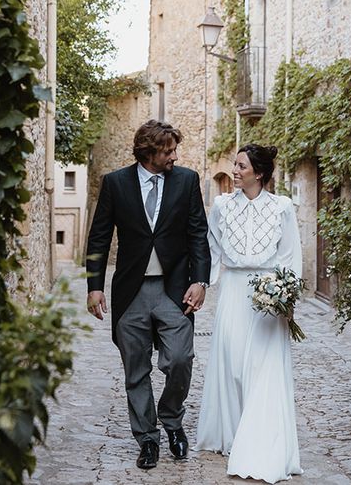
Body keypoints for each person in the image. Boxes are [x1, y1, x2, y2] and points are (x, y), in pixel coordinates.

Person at [85, 120, 212, 470]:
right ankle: (147, 439)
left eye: (174, 149)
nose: (174, 156)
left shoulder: (186, 180)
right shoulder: (115, 183)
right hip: (131, 291)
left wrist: (200, 280)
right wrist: (94, 285)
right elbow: (98, 238)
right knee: (136, 370)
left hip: (174, 290)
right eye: (167, 150)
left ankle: (172, 422)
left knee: (180, 359)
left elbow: (198, 233)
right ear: (148, 152)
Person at [196, 143, 303, 483]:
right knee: (232, 364)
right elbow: (212, 249)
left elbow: (289, 254)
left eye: (241, 166)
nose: (235, 170)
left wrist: (286, 296)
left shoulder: (282, 207)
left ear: (259, 173)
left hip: (268, 295)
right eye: (234, 164)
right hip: (232, 293)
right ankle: (232, 433)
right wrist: (203, 284)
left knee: (263, 366)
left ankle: (262, 440)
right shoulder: (223, 206)